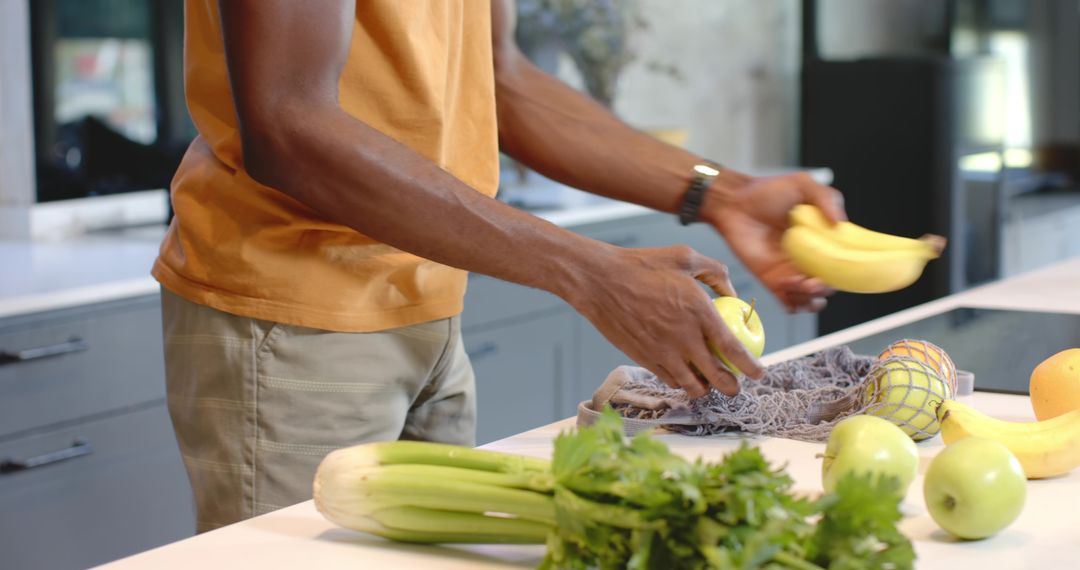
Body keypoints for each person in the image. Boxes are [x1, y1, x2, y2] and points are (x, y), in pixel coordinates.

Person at [154, 0, 846, 532]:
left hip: (430, 303)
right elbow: (287, 123)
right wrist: (590, 273)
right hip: (293, 313)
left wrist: (728, 194)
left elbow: (503, 80)